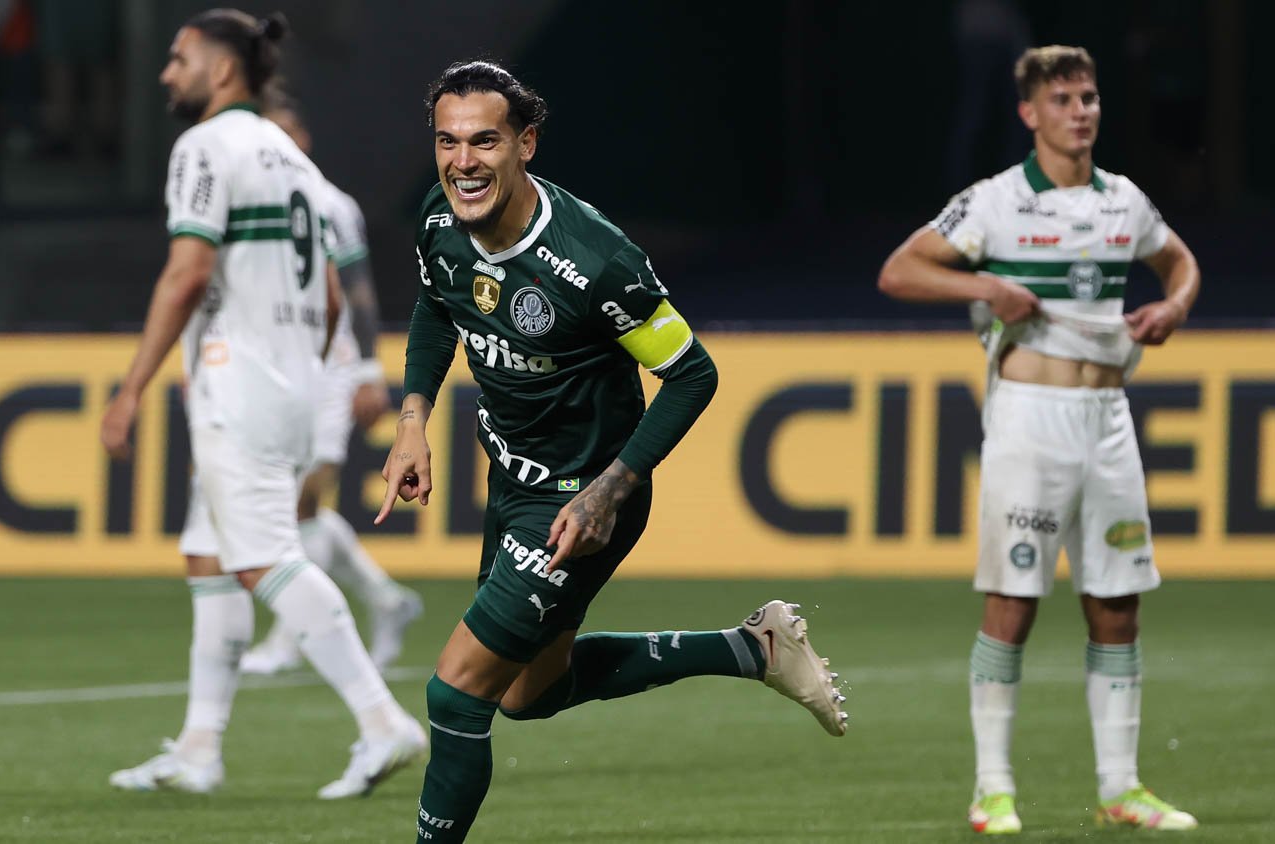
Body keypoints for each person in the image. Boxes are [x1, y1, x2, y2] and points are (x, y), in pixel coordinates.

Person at [377, 60, 849, 843]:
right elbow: (436, 303)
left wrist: (610, 488)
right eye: (447, 142)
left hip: (581, 499)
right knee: (528, 694)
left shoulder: (596, 262)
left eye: (485, 141)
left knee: (456, 694)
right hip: (512, 483)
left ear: (525, 143)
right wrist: (413, 418)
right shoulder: (440, 218)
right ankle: (752, 649)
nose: (463, 162)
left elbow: (693, 374)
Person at [99, 9, 425, 800]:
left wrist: (132, 387)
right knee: (209, 557)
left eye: (178, 59)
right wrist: (299, 363)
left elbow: (186, 273)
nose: (166, 73)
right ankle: (199, 749)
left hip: (237, 380)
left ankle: (382, 721)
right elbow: (334, 295)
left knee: (264, 559)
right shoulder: (294, 159)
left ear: (221, 70)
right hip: (288, 381)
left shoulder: (207, 146)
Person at [878, 45, 1201, 834]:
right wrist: (986, 286)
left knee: (1117, 605)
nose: (1080, 112)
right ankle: (992, 790)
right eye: (1063, 100)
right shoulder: (994, 202)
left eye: (1088, 98)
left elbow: (1180, 263)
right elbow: (900, 271)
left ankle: (1121, 789)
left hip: (1109, 419)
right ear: (1029, 113)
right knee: (1013, 601)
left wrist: (1173, 308)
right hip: (1030, 418)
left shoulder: (1123, 199)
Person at [237, 90, 424, 675]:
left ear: (303, 140)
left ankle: (290, 636)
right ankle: (386, 600)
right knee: (299, 505)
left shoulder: (329, 204)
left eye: (283, 135)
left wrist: (368, 370)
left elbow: (359, 291)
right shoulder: (253, 206)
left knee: (303, 496)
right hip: (280, 368)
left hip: (333, 367)